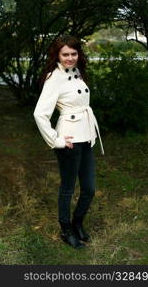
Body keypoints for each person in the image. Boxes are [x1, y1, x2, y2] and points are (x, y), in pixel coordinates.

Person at [34, 34, 104, 249]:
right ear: (57, 55)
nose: (70, 58)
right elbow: (39, 114)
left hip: (86, 136)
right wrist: (57, 140)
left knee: (89, 189)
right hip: (69, 140)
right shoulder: (53, 78)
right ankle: (66, 230)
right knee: (67, 188)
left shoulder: (79, 72)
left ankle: (77, 223)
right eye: (65, 54)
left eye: (74, 53)